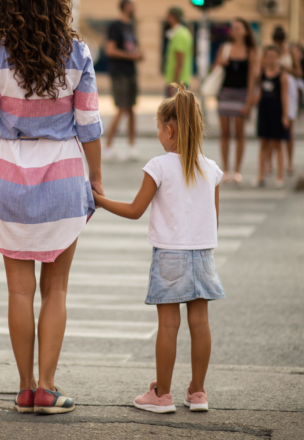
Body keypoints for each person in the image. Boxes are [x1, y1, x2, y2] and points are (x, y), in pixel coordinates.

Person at [0, 0, 104, 415]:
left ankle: (24, 389)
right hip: (63, 174)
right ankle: (47, 386)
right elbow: (89, 125)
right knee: (56, 291)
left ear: (9, 0)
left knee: (18, 291)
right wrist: (96, 181)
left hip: (8, 175)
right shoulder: (77, 54)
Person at [92, 85, 224, 414]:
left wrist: (98, 200)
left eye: (158, 129)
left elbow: (136, 210)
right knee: (200, 323)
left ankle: (162, 395)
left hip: (169, 255)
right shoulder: (211, 168)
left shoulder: (160, 165)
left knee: (168, 326)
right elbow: (214, 218)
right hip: (203, 254)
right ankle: (198, 392)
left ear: (169, 129)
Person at [216, 18, 259, 184]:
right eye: (233, 28)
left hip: (241, 95)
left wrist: (249, 100)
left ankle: (237, 170)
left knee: (240, 133)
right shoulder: (225, 48)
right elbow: (214, 71)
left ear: (246, 31)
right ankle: (225, 170)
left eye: (238, 28)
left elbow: (251, 78)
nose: (235, 31)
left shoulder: (251, 51)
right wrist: (219, 62)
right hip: (225, 94)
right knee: (225, 133)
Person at [104, 0, 142, 161]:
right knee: (121, 109)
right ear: (126, 7)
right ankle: (108, 147)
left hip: (131, 72)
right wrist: (131, 56)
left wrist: (139, 55)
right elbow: (110, 51)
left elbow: (135, 48)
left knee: (131, 109)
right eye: (133, 5)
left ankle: (131, 147)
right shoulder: (116, 26)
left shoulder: (131, 27)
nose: (135, 7)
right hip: (119, 73)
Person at [251, 45, 289, 188]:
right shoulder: (261, 74)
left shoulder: (282, 76)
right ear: (265, 58)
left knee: (278, 144)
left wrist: (285, 115)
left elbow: (284, 96)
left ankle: (280, 176)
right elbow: (259, 92)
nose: (271, 59)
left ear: (278, 58)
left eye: (274, 56)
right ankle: (261, 175)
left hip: (277, 111)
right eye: (268, 56)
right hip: (264, 110)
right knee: (263, 143)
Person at [271, 26, 301, 176]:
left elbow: (299, 72)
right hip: (275, 88)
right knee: (271, 129)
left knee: (289, 128)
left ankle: (289, 162)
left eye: (280, 42)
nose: (279, 44)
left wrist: (285, 67)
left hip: (289, 89)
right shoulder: (271, 51)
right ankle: (271, 163)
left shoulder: (291, 51)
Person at [163, 7, 193, 97]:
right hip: (181, 81)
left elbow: (179, 62)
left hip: (178, 83)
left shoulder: (179, 35)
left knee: (173, 110)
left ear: (172, 17)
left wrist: (173, 85)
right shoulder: (182, 33)